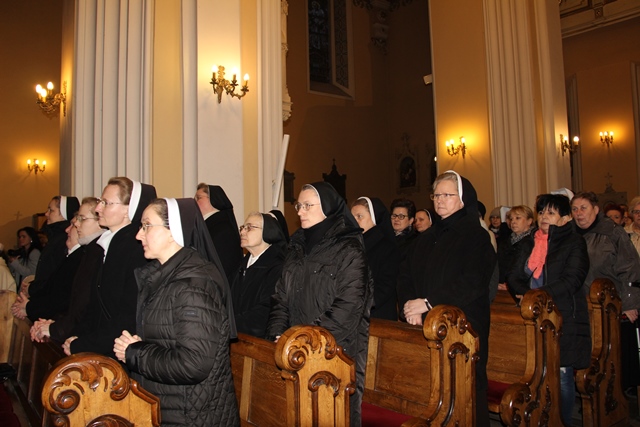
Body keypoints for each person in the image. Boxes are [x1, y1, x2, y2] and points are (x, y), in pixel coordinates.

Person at [113, 198, 239, 426]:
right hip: (172, 406)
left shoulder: (193, 286)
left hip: (190, 415)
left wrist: (134, 353)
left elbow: (193, 363)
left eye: (147, 226)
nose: (139, 235)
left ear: (173, 231)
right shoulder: (165, 277)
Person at [266, 182, 373, 426]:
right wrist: (279, 335)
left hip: (334, 352)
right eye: (299, 206)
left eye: (307, 206)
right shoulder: (297, 247)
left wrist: (307, 341)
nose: (300, 212)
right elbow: (281, 296)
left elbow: (349, 306)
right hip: (296, 351)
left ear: (327, 207)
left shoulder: (349, 249)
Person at [397, 170, 495, 426]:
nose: (440, 200)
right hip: (424, 323)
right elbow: (405, 275)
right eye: (436, 195)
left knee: (465, 395)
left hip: (463, 327)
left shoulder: (476, 236)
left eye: (447, 195)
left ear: (462, 199)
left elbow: (472, 281)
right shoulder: (425, 238)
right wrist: (410, 308)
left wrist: (428, 303)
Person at [507, 193, 590, 425]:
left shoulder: (574, 242)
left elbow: (572, 279)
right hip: (533, 315)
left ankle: (562, 421)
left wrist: (537, 296)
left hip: (563, 316)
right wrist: (526, 294)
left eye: (551, 213)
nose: (544, 216)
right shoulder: (530, 242)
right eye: (542, 211)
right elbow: (513, 276)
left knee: (561, 375)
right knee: (537, 373)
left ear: (565, 218)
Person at [64, 178, 156, 358]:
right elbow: (94, 306)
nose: (98, 208)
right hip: (99, 346)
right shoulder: (109, 246)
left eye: (106, 203)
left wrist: (82, 344)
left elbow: (126, 317)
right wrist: (76, 336)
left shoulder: (136, 252)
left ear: (127, 210)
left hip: (115, 354)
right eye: (100, 201)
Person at [571, 192, 640, 394]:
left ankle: (614, 397)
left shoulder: (612, 232)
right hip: (584, 305)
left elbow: (630, 268)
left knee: (614, 358)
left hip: (612, 304)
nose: (578, 213)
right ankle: (593, 396)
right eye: (574, 209)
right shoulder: (571, 234)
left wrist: (630, 304)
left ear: (595, 209)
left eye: (583, 208)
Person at [30, 197, 106, 343]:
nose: (76, 224)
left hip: (83, 336)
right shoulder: (88, 252)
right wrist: (54, 324)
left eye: (82, 218)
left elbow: (85, 306)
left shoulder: (97, 253)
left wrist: (56, 328)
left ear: (99, 222)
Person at [12, 218, 83, 322]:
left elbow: (60, 296)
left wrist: (29, 306)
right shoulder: (71, 256)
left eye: (73, 225)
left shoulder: (77, 257)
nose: (67, 229)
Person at [231, 212, 286, 338]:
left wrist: (231, 324)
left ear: (267, 232)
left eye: (249, 227)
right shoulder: (242, 266)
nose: (242, 232)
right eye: (242, 227)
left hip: (261, 339)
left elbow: (267, 309)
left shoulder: (277, 267)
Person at [351, 197, 401, 320]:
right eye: (352, 217)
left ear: (374, 218)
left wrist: (360, 306)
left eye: (359, 216)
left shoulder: (388, 248)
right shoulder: (351, 246)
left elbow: (385, 286)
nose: (354, 221)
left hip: (377, 316)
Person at [27, 196, 80, 297]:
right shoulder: (55, 238)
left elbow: (55, 277)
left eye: (51, 210)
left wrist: (32, 289)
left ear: (63, 215)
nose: (46, 214)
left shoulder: (64, 241)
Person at [195, 183, 243, 285]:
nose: (195, 202)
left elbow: (221, 266)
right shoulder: (207, 225)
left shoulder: (222, 228)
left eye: (199, 198)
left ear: (213, 200)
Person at [496, 205, 535, 292]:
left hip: (522, 288)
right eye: (511, 219)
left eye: (518, 218)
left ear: (529, 221)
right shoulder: (505, 241)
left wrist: (511, 285)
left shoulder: (533, 241)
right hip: (501, 286)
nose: (513, 222)